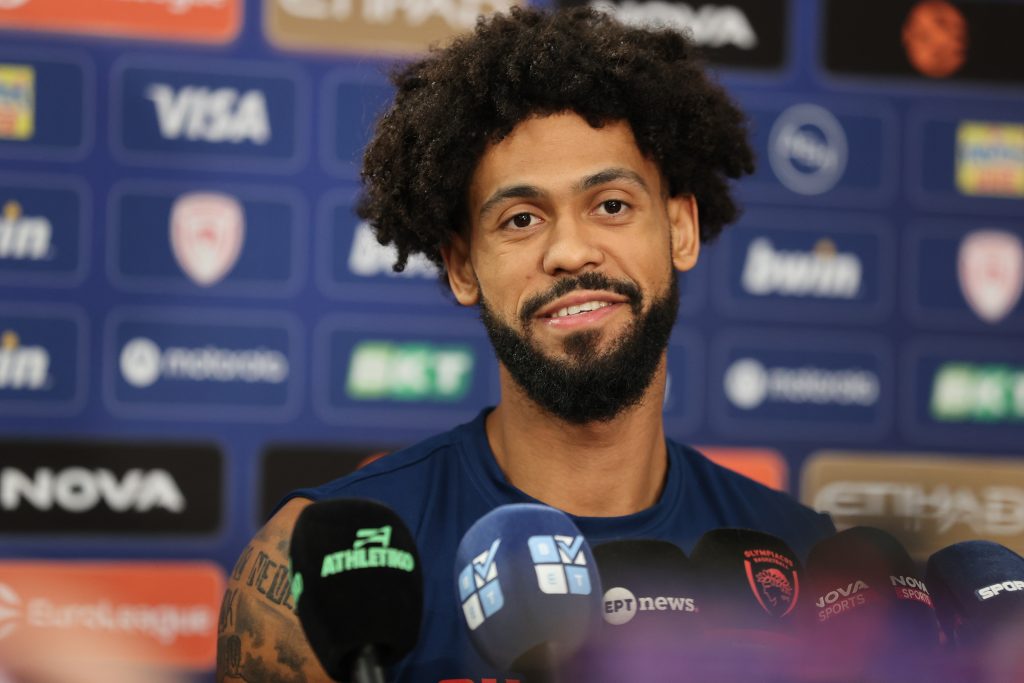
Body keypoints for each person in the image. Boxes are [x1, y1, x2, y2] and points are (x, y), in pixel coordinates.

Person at [216, 7, 835, 681]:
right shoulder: (314, 568)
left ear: (679, 229)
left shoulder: (810, 562)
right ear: (462, 267)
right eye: (521, 219)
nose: (569, 250)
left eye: (612, 205)